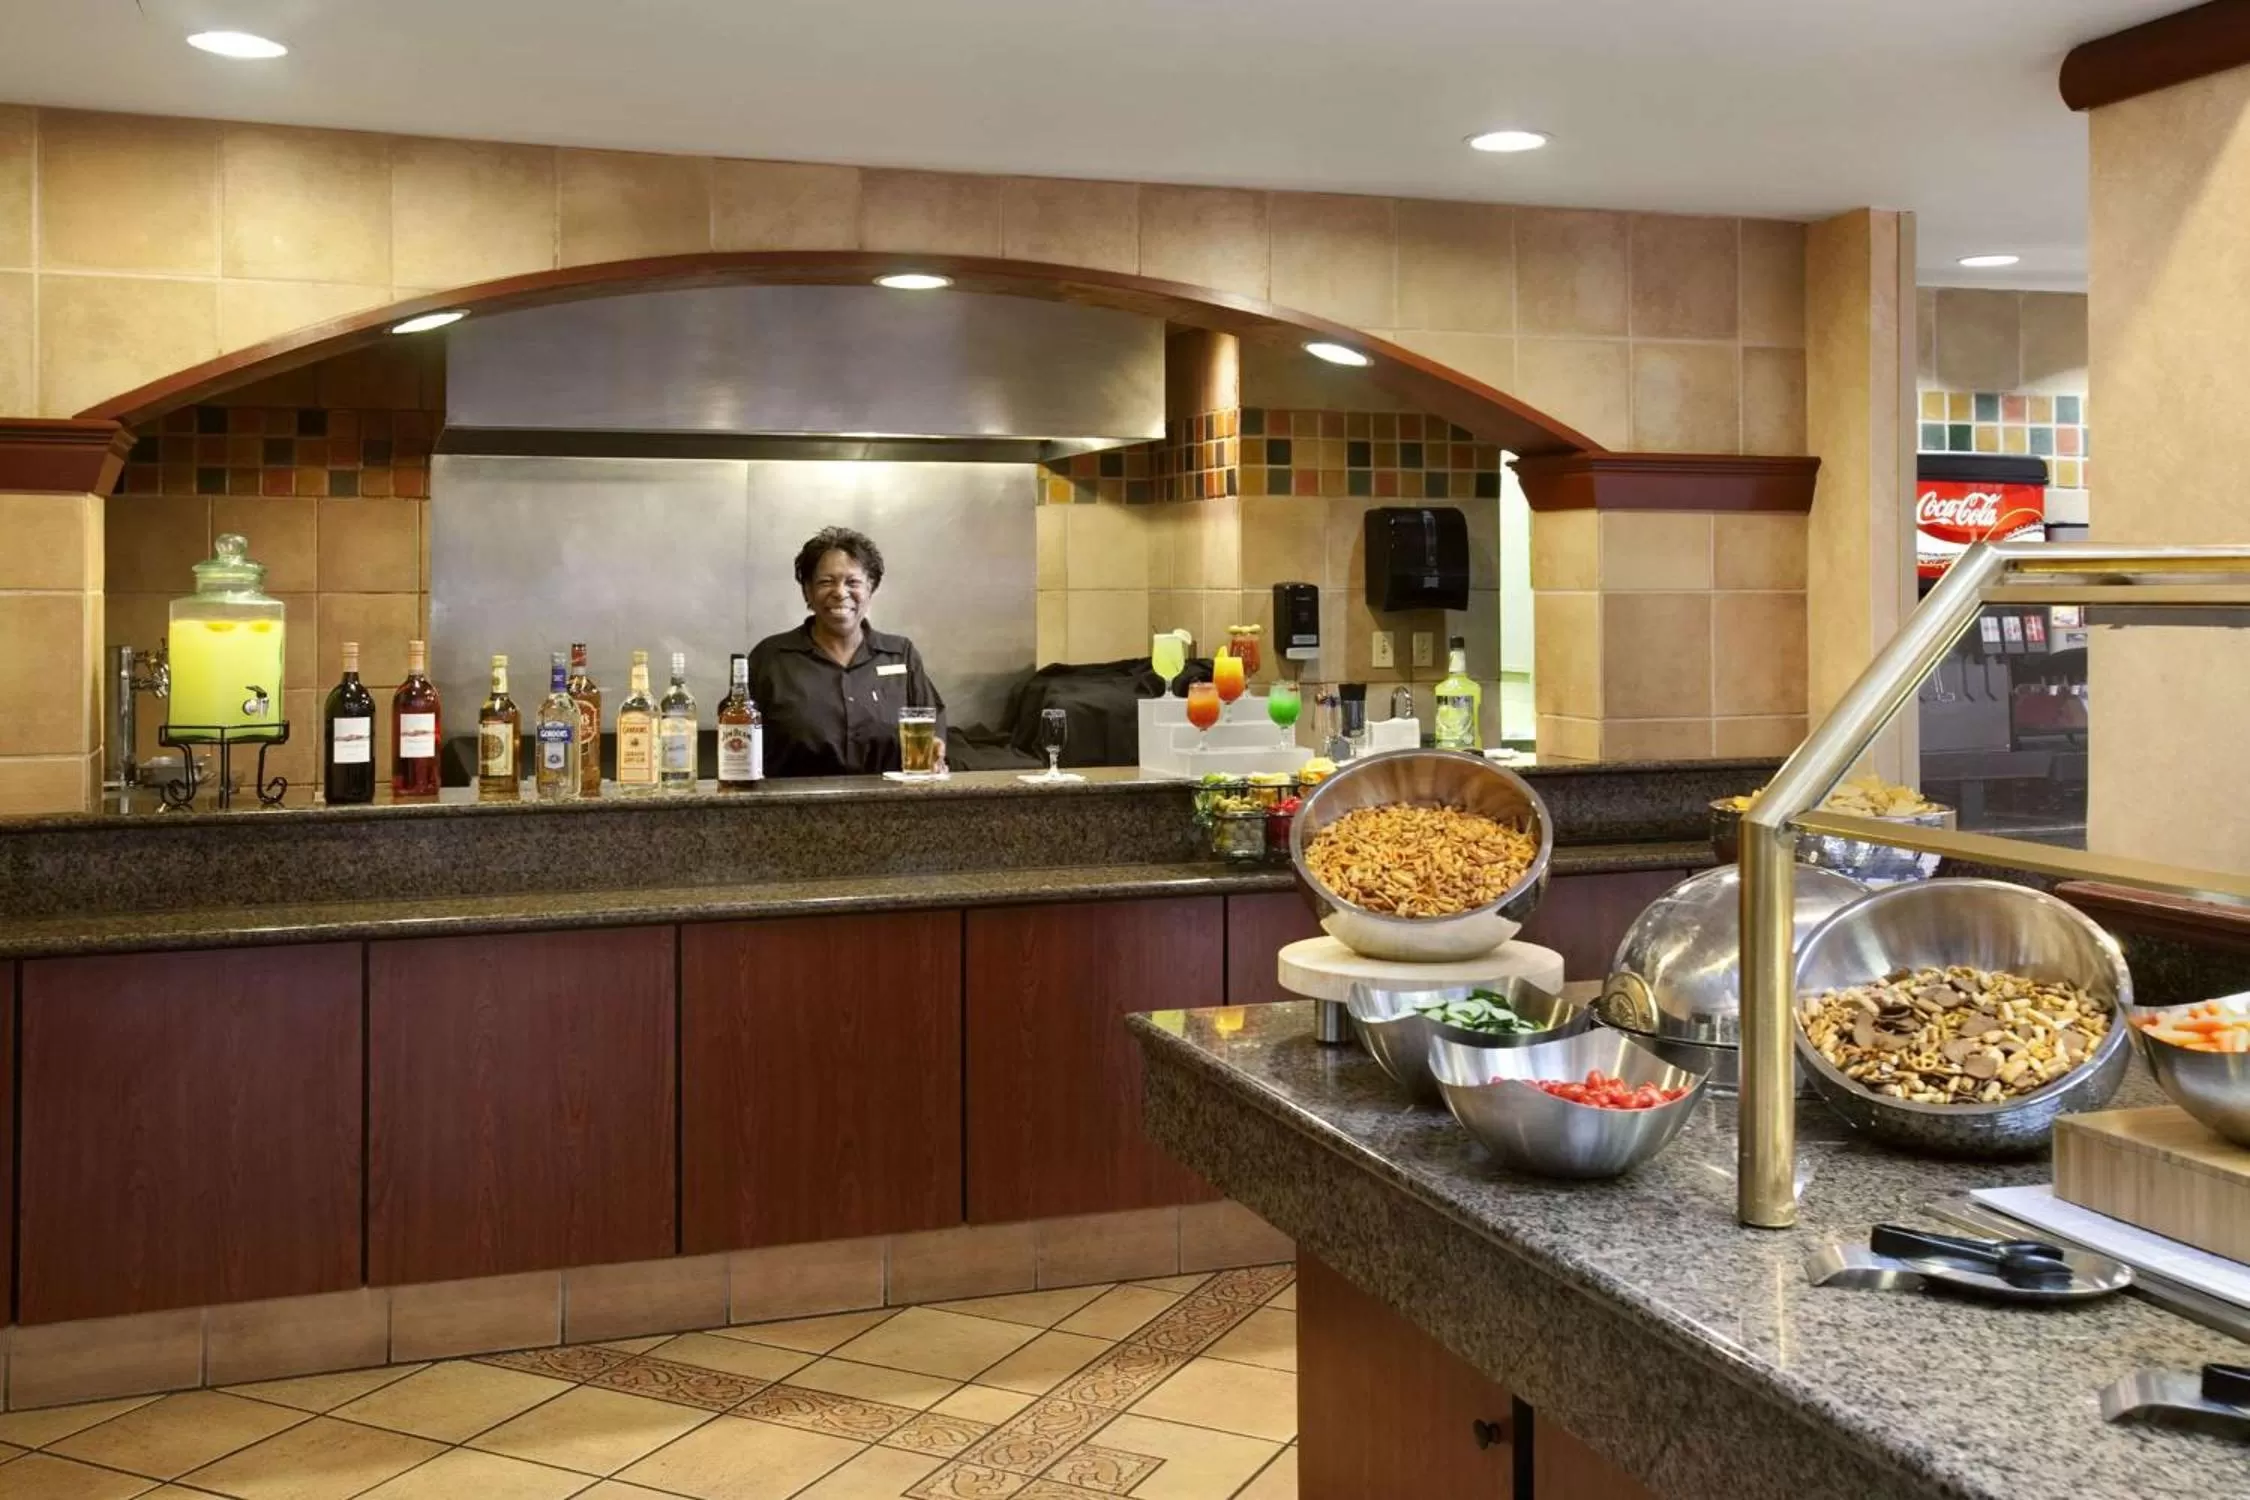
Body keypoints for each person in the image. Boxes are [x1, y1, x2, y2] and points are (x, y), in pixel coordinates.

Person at [748, 526, 947, 777]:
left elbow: (931, 722)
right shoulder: (771, 658)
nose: (840, 593)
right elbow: (737, 739)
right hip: (793, 808)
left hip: (891, 807)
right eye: (826, 582)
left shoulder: (900, 654)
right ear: (807, 591)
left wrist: (936, 748)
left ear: (870, 588)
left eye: (853, 582)